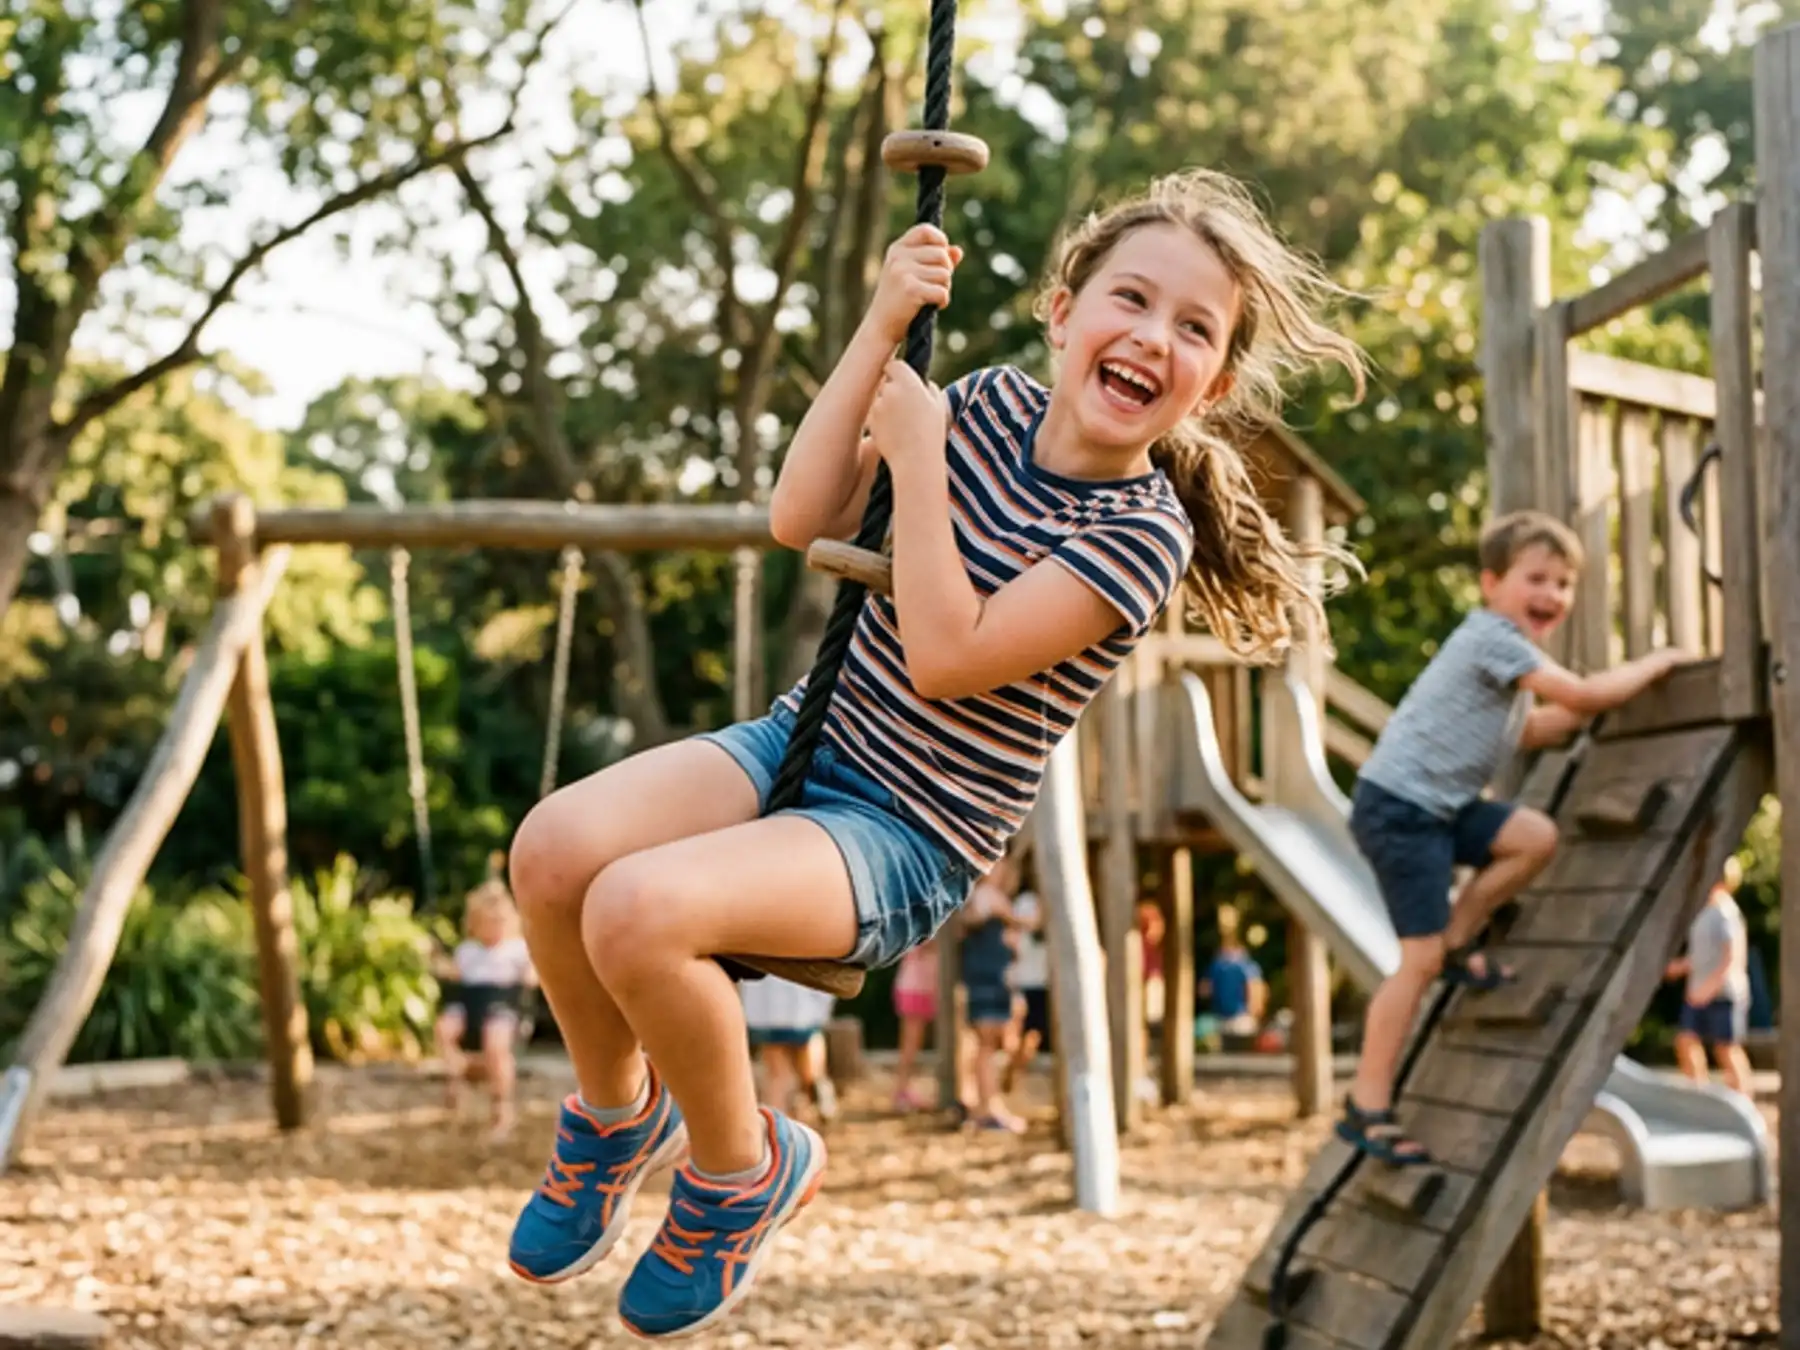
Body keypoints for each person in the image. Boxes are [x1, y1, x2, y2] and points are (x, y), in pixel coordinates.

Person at [500, 167, 1367, 1338]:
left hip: (902, 834)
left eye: (1194, 328)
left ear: (1210, 385)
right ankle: (615, 1113)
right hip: (799, 744)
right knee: (553, 852)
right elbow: (799, 517)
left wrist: (918, 456)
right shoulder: (996, 401)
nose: (1153, 337)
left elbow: (948, 659)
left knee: (637, 912)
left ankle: (738, 1169)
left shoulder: (1139, 533)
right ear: (1066, 313)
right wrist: (880, 328)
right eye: (1132, 299)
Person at [1339, 511, 1686, 1165]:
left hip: (1441, 808)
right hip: (1400, 810)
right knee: (1415, 964)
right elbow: (1579, 696)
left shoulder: (1504, 660)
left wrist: (1602, 707)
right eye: (1536, 578)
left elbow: (1533, 730)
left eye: (1562, 583)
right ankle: (1368, 1104)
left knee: (1533, 836)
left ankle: (1461, 931)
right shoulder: (1493, 638)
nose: (1551, 595)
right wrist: (1655, 665)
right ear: (1491, 583)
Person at [433, 876, 536, 1141]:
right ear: (474, 924)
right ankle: (457, 1075)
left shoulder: (517, 949)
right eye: (487, 923)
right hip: (469, 1006)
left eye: (500, 922)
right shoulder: (468, 951)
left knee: (495, 1043)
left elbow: (532, 977)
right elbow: (455, 975)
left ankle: (501, 1107)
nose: (494, 929)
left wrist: (530, 975)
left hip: (504, 1007)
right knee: (444, 1029)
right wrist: (436, 962)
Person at [1665, 857, 1754, 1096]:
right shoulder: (1703, 912)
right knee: (1685, 1041)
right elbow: (1701, 956)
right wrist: (1679, 967)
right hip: (1698, 992)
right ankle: (1699, 1096)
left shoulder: (1726, 912)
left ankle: (1745, 1104)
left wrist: (1710, 987)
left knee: (1726, 1049)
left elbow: (1733, 956)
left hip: (1723, 992)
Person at [959, 852, 1026, 1132]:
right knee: (986, 1046)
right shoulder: (986, 896)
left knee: (997, 1043)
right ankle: (989, 1108)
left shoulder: (989, 899)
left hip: (997, 980)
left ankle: (988, 1103)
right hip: (985, 980)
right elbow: (1013, 919)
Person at [740, 975, 840, 1123]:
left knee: (779, 1074)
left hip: (770, 1005)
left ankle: (780, 1126)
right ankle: (815, 1088)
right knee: (801, 1053)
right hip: (794, 1001)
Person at [1002, 874, 1050, 1095]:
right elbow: (1018, 928)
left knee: (1034, 1033)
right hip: (1022, 978)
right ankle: (1011, 1069)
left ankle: (1015, 1069)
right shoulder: (1027, 902)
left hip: (1042, 980)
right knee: (1016, 1030)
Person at [1201, 906, 1267, 1039]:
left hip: (1237, 1020)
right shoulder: (1222, 965)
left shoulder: (1243, 965)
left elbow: (1204, 991)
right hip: (1229, 1021)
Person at [890, 937, 939, 1111]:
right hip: (916, 986)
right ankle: (902, 1091)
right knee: (911, 1044)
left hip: (930, 985)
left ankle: (907, 1090)